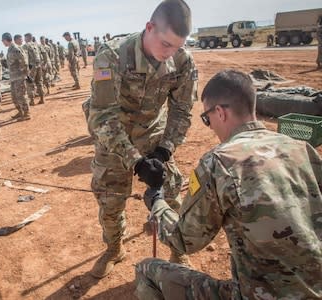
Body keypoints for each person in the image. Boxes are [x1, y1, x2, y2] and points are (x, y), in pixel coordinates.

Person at [135, 69, 322, 299]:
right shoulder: (302, 148)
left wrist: (157, 200)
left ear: (220, 113)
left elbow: (184, 239)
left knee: (146, 270)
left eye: (206, 119)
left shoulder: (219, 163)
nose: (210, 126)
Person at [85, 0, 197, 278]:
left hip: (154, 137)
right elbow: (103, 117)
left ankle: (177, 248)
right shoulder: (111, 56)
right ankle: (114, 248)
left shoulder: (182, 60)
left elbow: (182, 111)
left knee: (170, 195)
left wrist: (163, 152)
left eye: (177, 46)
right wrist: (136, 161)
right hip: (114, 141)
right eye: (166, 44)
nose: (170, 53)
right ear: (149, 28)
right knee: (110, 201)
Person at [3, 32, 30, 121]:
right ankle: (20, 111)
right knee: (14, 97)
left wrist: (23, 73)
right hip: (13, 77)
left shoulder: (15, 48)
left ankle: (26, 113)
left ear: (6, 40)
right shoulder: (10, 49)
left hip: (19, 77)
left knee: (21, 96)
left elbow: (24, 61)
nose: (3, 43)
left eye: (3, 41)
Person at [24, 33, 45, 105]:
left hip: (31, 67)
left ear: (27, 38)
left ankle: (32, 100)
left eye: (25, 38)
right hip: (38, 65)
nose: (24, 39)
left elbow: (25, 58)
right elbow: (43, 54)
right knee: (39, 82)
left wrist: (26, 68)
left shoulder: (26, 46)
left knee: (30, 83)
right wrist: (43, 63)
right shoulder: (37, 45)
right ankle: (42, 98)